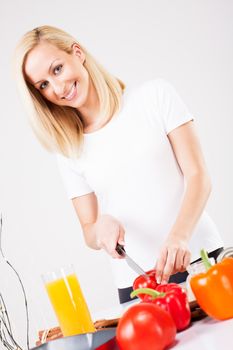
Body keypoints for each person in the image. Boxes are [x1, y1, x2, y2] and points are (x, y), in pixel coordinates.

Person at [14, 25, 224, 304]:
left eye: (57, 69)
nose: (58, 88)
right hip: (138, 287)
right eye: (43, 85)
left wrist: (179, 236)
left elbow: (199, 176)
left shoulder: (155, 97)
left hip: (202, 262)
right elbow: (89, 229)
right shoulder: (68, 150)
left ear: (77, 53)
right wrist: (100, 227)